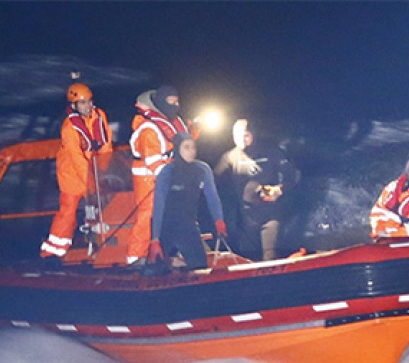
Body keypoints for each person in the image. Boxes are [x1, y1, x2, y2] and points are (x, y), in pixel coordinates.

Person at [40, 81, 113, 261]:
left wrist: (102, 171)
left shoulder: (100, 116)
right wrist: (90, 180)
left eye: (89, 101)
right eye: (82, 103)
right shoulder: (69, 127)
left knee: (102, 211)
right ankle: (52, 252)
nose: (87, 106)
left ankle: (100, 248)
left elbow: (106, 145)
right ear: (74, 106)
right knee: (68, 212)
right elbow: (76, 157)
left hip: (94, 171)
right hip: (72, 175)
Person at [126, 85, 197, 265]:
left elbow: (182, 144)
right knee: (148, 215)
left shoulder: (172, 123)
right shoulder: (149, 129)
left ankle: (170, 253)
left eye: (177, 102)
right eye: (170, 102)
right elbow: (153, 161)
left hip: (168, 176)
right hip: (148, 179)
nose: (175, 106)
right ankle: (136, 257)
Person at [214, 119, 298, 260]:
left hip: (270, 214)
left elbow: (293, 175)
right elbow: (212, 181)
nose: (242, 139)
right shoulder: (229, 157)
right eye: (238, 135)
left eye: (246, 135)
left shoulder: (270, 152)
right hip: (247, 218)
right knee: (249, 259)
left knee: (269, 256)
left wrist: (279, 189)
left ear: (252, 135)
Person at [149, 132, 225, 270]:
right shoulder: (167, 172)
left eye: (193, 147)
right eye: (186, 147)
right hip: (166, 228)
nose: (192, 151)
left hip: (188, 227)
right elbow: (158, 206)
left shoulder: (202, 169)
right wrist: (155, 239)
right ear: (178, 149)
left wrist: (218, 220)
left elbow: (212, 197)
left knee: (200, 266)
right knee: (156, 271)